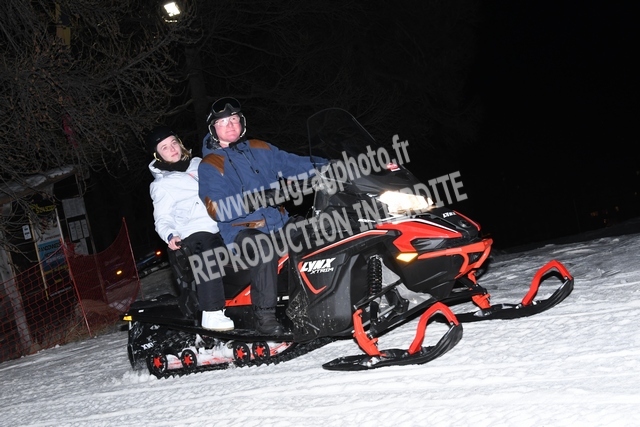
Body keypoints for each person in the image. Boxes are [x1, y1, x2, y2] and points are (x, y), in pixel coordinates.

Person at [198, 97, 317, 335]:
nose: (231, 125)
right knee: (264, 248)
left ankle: (318, 301)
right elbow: (217, 209)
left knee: (317, 230)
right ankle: (265, 318)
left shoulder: (260, 148)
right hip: (242, 232)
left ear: (242, 122)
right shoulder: (210, 164)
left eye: (234, 119)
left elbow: (295, 163)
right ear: (213, 129)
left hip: (278, 223)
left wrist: (340, 166)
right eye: (223, 122)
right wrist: (258, 198)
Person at [146, 126, 234, 331]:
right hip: (195, 231)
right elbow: (162, 218)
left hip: (221, 222)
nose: (172, 149)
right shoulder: (162, 185)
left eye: (174, 143)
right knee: (207, 247)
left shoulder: (200, 164)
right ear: (158, 155)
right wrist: (170, 235)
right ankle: (212, 312)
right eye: (164, 147)